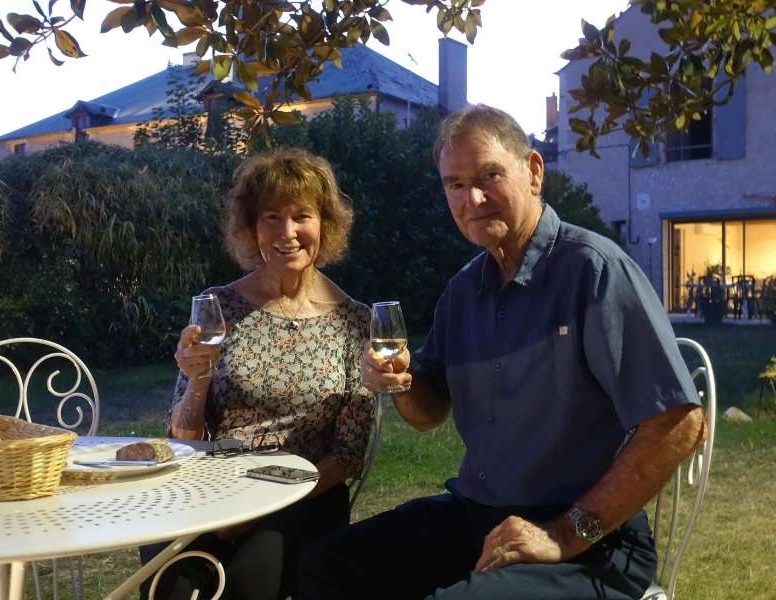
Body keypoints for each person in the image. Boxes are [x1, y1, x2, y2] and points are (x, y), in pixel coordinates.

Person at [296, 105, 705, 599]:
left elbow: (678, 422)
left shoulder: (593, 271)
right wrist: (402, 383)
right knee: (325, 566)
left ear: (533, 171)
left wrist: (567, 533)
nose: (472, 198)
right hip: (478, 516)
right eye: (454, 184)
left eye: (490, 175)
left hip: (592, 542)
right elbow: (429, 411)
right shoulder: (465, 291)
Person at [140, 148, 375, 600]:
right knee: (169, 581)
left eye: (301, 216)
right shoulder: (217, 307)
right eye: (271, 217)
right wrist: (197, 380)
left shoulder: (354, 321)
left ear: (324, 224)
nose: (287, 233)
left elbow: (347, 456)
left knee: (248, 582)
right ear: (252, 227)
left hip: (303, 495)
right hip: (211, 486)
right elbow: (183, 434)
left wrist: (260, 507)